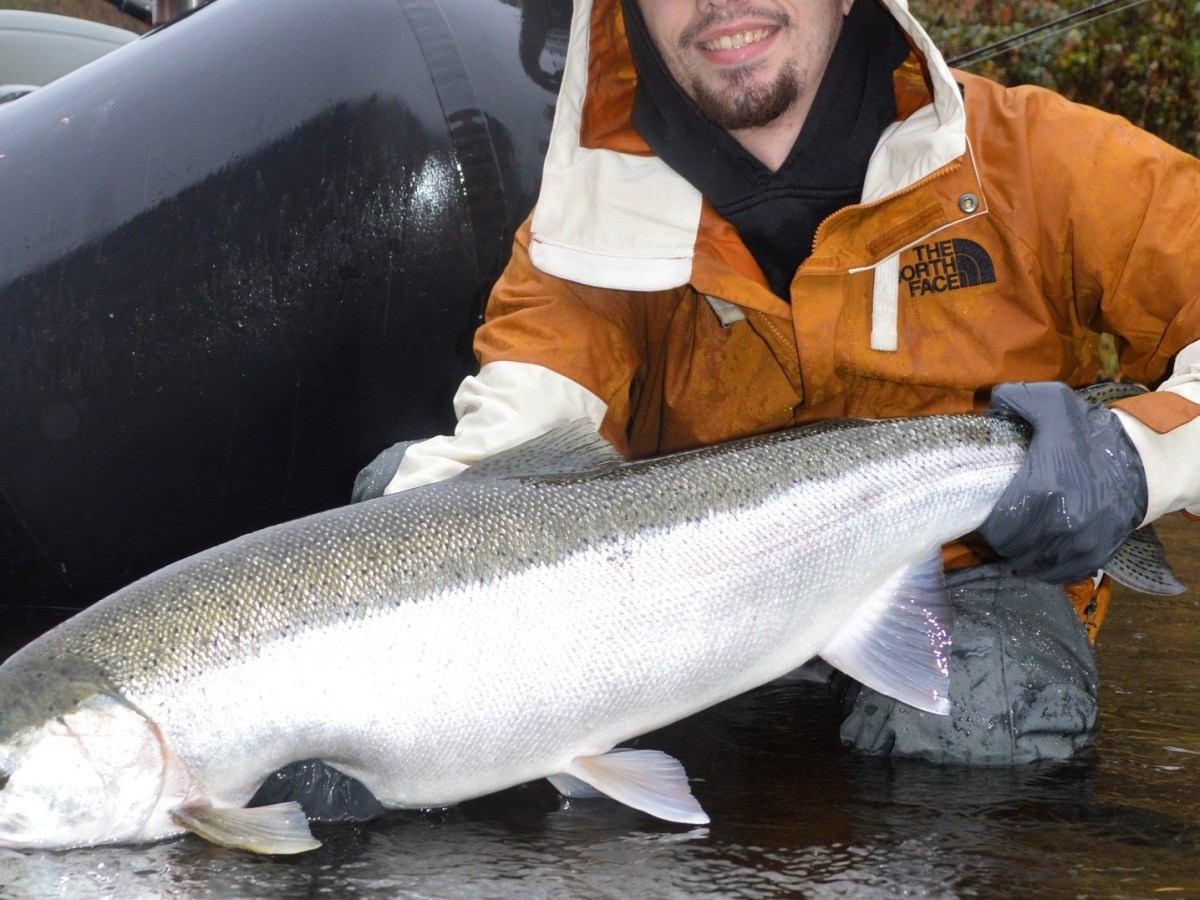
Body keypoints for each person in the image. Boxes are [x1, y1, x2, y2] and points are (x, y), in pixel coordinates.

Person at [260, 0, 1200, 818]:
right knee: (394, 504)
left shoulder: (1043, 162)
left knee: (982, 712)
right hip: (696, 598)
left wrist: (1136, 458)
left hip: (970, 577)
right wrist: (350, 690)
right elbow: (501, 445)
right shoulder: (589, 228)